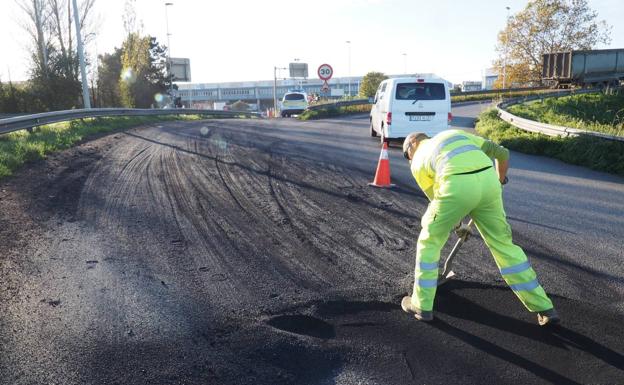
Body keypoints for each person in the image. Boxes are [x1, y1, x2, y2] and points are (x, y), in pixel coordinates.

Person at [401, 129, 559, 326]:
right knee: (504, 246)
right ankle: (544, 308)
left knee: (429, 240)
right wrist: (499, 181)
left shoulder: (417, 161)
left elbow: (437, 200)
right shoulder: (455, 134)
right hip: (489, 183)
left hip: (456, 186)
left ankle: (421, 305)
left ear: (413, 144)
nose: (409, 160)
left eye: (407, 156)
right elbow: (503, 154)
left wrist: (457, 225)